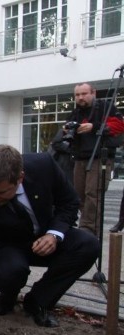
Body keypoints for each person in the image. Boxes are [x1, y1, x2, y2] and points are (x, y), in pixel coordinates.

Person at [0, 145, 100, 335]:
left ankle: (38, 301)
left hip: (45, 237)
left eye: (0, 193)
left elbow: (69, 202)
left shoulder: (44, 166)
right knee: (11, 271)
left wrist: (54, 234)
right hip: (5, 246)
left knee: (88, 245)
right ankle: (8, 296)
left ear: (19, 178)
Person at [65, 82, 124, 236]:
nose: (80, 98)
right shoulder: (76, 112)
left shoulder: (105, 107)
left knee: (93, 194)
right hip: (80, 158)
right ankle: (88, 226)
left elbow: (119, 126)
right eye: (77, 95)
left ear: (93, 93)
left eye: (84, 94)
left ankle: (88, 231)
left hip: (99, 158)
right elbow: (66, 130)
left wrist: (94, 126)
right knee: (79, 195)